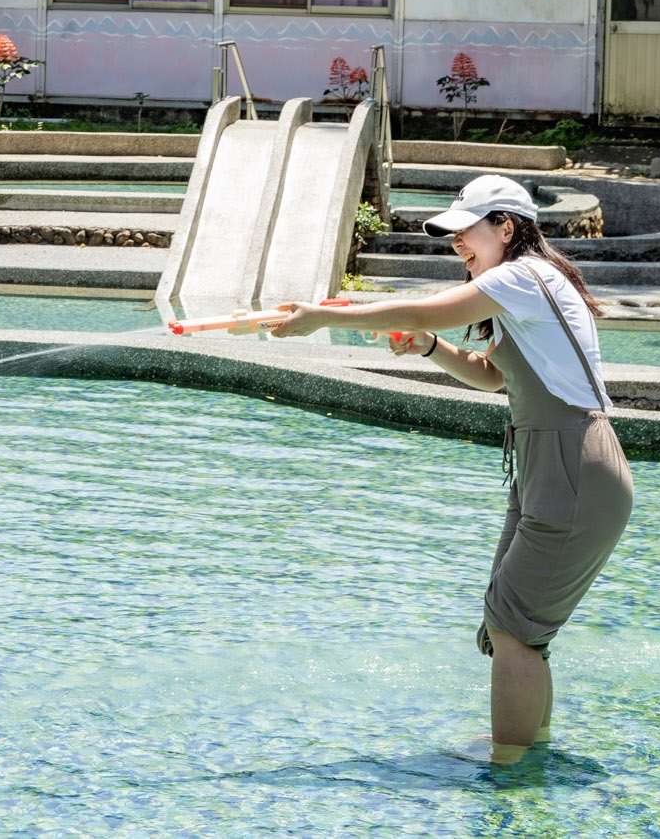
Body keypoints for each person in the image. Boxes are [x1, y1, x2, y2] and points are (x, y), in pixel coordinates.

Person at [264, 174, 632, 764]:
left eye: (467, 230)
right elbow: (494, 376)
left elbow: (424, 307)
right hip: (551, 466)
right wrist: (431, 348)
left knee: (514, 625)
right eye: (452, 234)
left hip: (571, 464)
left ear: (506, 227)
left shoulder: (519, 277)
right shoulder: (527, 285)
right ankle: (527, 753)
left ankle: (509, 774)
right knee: (514, 625)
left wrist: (325, 317)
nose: (457, 243)